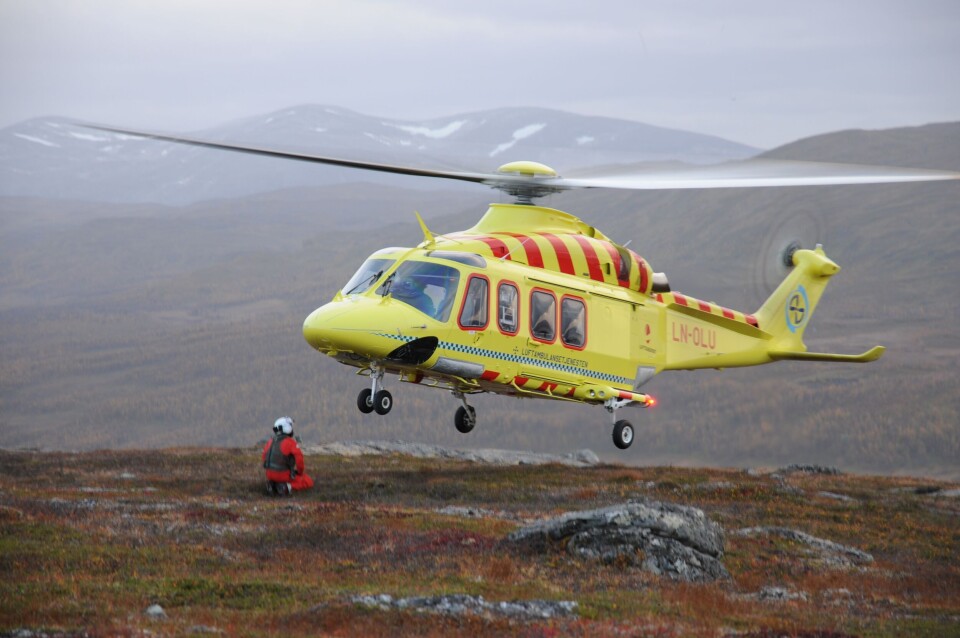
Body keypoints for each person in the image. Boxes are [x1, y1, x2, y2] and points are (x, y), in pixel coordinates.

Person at [262, 416, 314, 496]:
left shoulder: (270, 441)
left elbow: (264, 457)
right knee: (308, 481)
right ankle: (286, 487)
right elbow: (299, 459)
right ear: (287, 428)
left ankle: (273, 485)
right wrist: (300, 472)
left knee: (276, 478)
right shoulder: (290, 443)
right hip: (283, 475)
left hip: (269, 474)